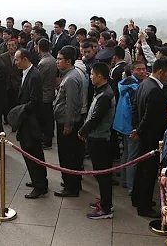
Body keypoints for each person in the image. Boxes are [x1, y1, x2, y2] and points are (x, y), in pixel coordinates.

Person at [132, 57, 167, 217]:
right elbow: (149, 116)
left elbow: (136, 108)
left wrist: (136, 128)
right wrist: (140, 130)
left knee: (141, 168)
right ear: (160, 72)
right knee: (148, 172)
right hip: (151, 136)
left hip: (143, 133)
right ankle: (144, 206)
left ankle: (137, 198)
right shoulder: (156, 91)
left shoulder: (144, 84)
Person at [78, 63, 116, 219]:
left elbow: (95, 118)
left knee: (102, 173)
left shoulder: (105, 95)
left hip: (100, 139)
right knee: (101, 173)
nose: (90, 77)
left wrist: (82, 131)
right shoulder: (101, 91)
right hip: (97, 137)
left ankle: (106, 209)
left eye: (92, 74)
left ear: (100, 76)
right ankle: (105, 200)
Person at [10, 48, 48, 199]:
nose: (15, 62)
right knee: (31, 153)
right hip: (27, 121)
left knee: (33, 153)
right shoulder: (26, 73)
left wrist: (18, 111)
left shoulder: (35, 76)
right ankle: (37, 180)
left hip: (32, 123)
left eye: (17, 59)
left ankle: (40, 185)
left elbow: (34, 101)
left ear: (25, 59)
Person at [53, 45, 87, 198]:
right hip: (67, 121)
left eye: (60, 59)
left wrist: (68, 125)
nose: (57, 62)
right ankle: (71, 182)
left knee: (68, 156)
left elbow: (71, 104)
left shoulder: (71, 78)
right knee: (70, 155)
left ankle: (70, 186)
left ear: (68, 61)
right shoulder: (69, 74)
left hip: (68, 124)